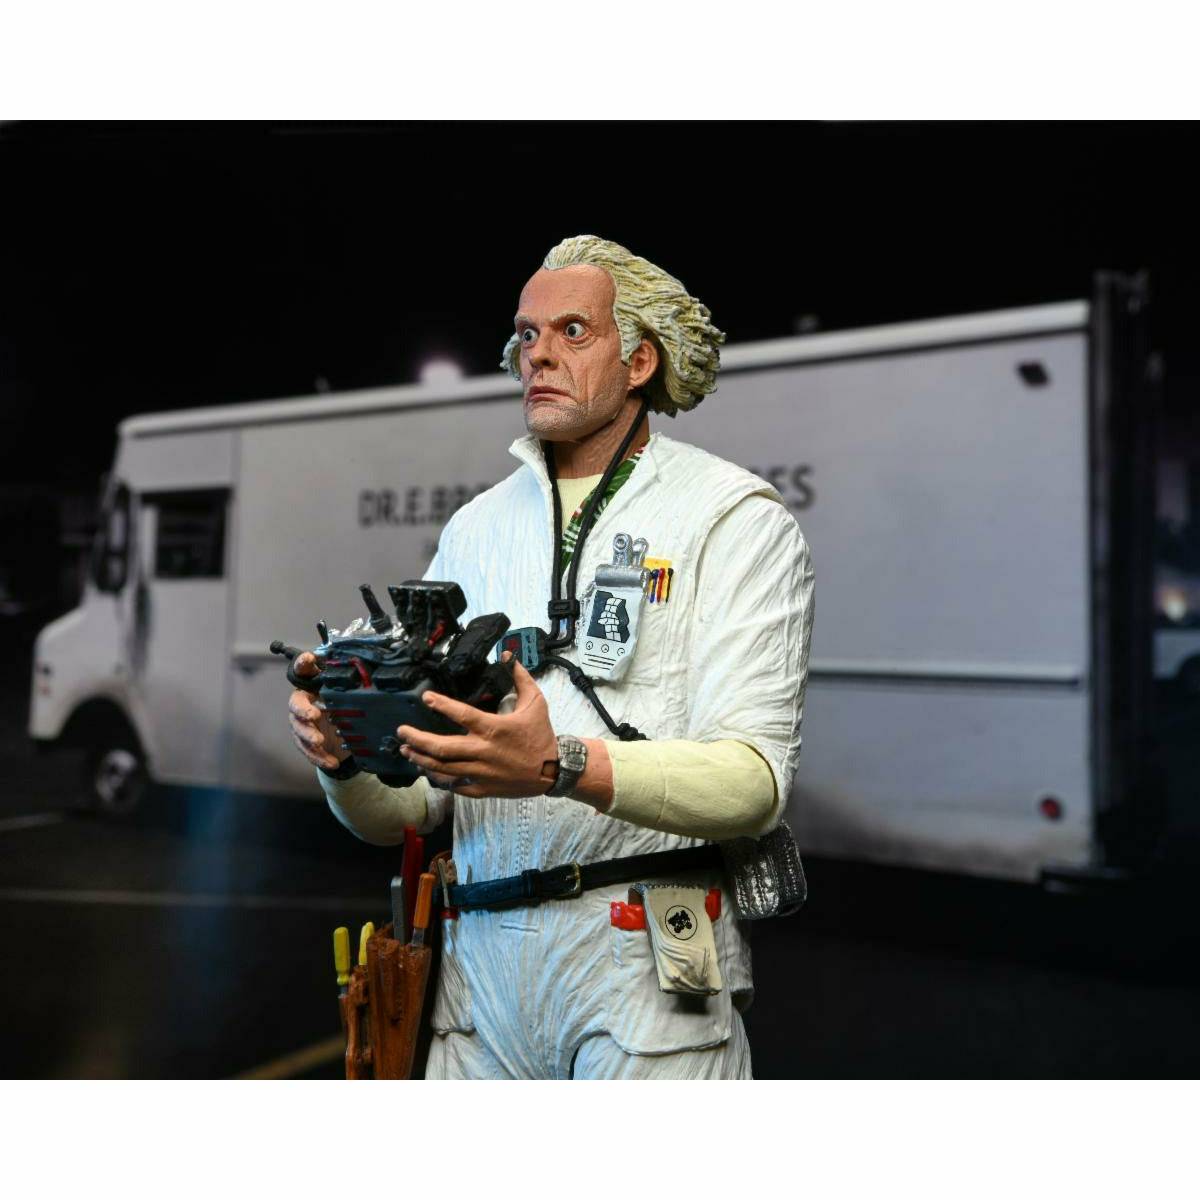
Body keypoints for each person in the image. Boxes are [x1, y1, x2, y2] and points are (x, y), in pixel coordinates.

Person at [287, 235, 814, 1079]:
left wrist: (557, 764)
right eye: (526, 334)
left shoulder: (732, 518)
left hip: (642, 967)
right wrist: (347, 756)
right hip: (476, 979)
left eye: (572, 331)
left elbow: (753, 782)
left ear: (640, 360)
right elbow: (408, 813)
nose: (537, 354)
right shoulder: (475, 531)